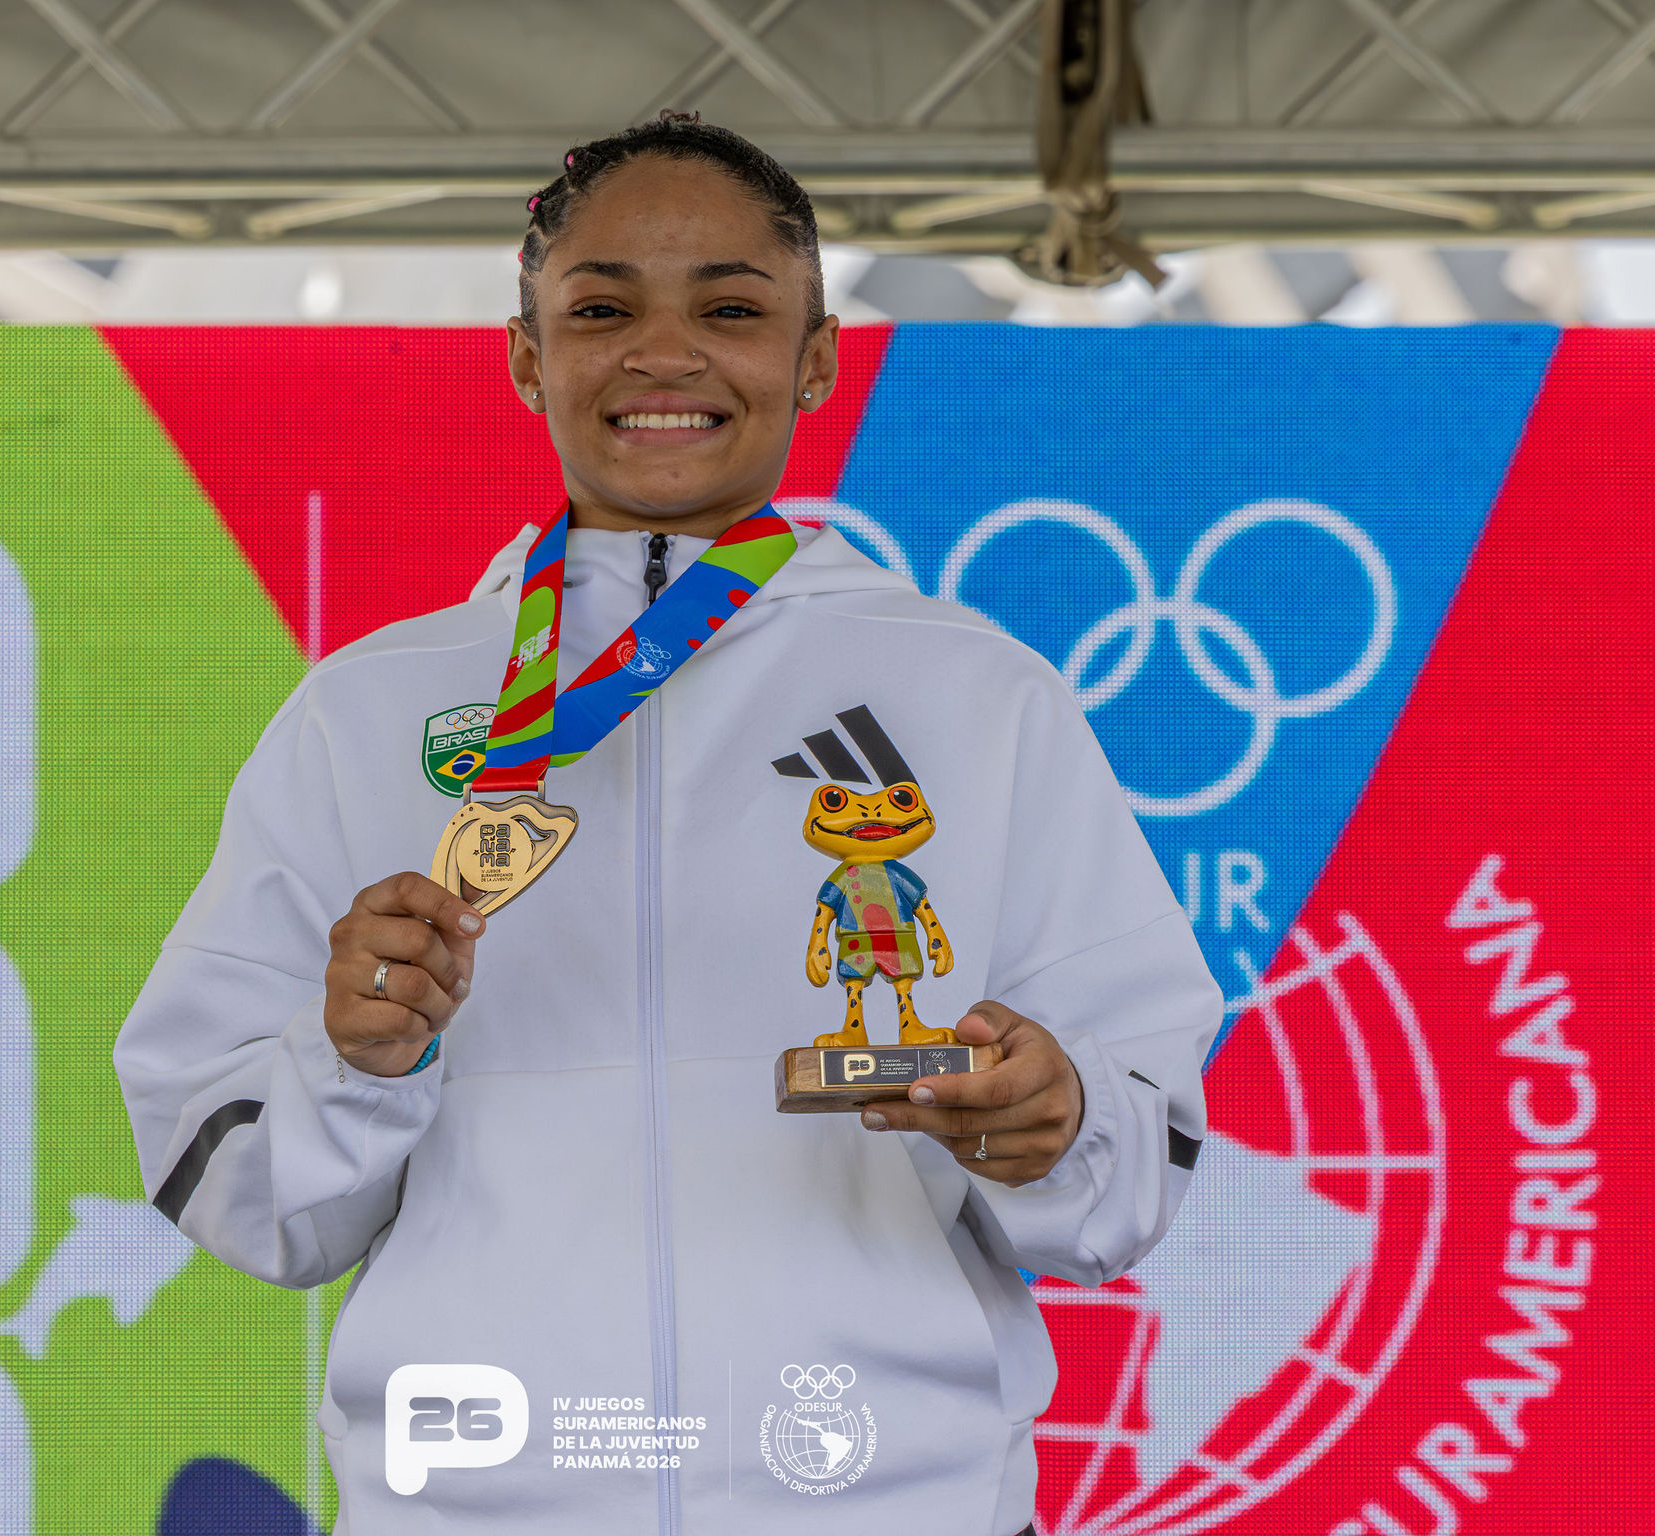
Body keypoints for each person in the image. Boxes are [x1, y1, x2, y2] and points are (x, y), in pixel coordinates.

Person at [114, 112, 1220, 1536]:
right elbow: (238, 1193)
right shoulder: (370, 711)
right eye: (601, 306)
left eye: (733, 307)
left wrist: (1049, 1122)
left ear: (817, 355)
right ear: (527, 355)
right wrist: (356, 1059)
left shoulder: (979, 698)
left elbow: (1134, 1178)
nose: (664, 352)